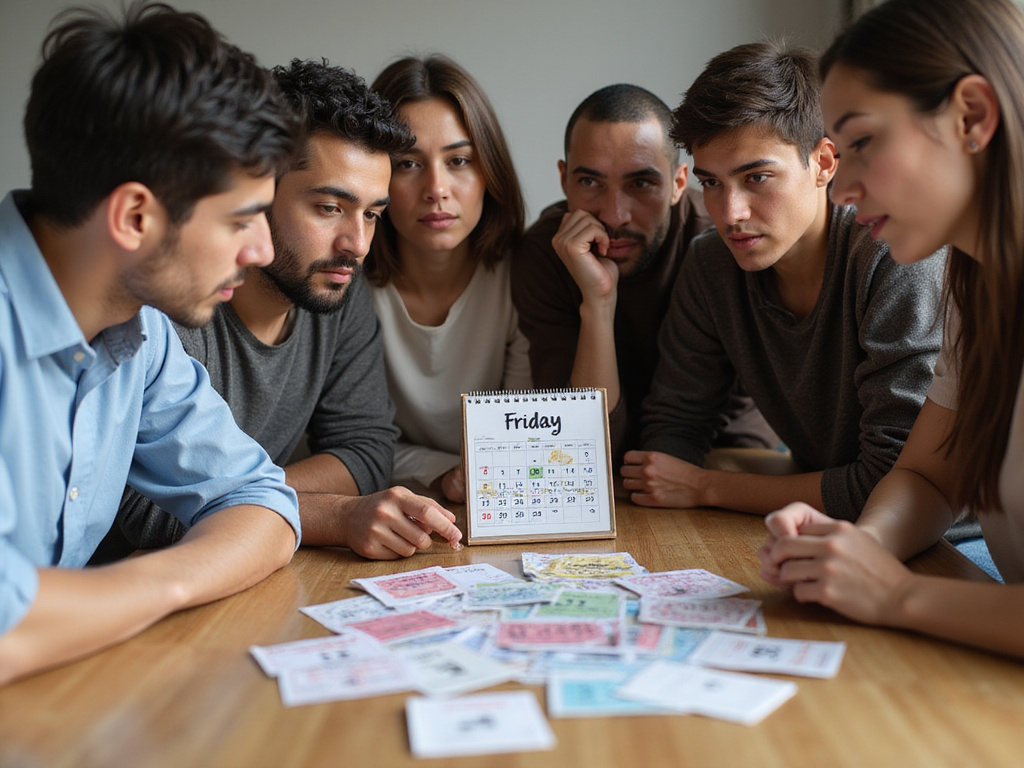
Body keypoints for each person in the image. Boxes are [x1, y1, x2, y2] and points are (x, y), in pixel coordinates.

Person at [0, 2, 302, 685]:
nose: (261, 250)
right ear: (135, 215)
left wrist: (154, 587)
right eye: (242, 219)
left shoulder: (142, 330)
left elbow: (262, 502)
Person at [103, 59, 462, 561]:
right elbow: (152, 514)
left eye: (373, 215)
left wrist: (240, 497)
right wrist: (329, 512)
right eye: (329, 208)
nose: (356, 243)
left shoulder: (334, 282)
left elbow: (367, 453)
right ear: (257, 191)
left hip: (238, 574)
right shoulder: (170, 306)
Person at [759, 0, 1024, 658]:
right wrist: (860, 548)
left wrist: (896, 595)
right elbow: (931, 476)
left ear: (972, 116)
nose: (841, 185)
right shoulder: (978, 286)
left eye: (863, 143)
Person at [622, 41, 946, 521]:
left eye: (756, 178)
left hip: (953, 543)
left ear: (823, 163)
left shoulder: (894, 255)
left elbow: (893, 481)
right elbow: (673, 431)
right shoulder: (712, 262)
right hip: (819, 524)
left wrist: (706, 486)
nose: (730, 214)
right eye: (711, 182)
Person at [510, 84, 778, 465]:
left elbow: (734, 437)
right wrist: (598, 302)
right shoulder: (544, 254)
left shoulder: (727, 243)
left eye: (641, 183)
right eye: (589, 182)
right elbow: (576, 446)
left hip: (723, 462)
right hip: (605, 472)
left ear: (679, 184)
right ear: (563, 179)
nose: (615, 215)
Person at [366, 55, 531, 503]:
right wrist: (439, 472)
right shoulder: (346, 285)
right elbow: (347, 442)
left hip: (499, 504)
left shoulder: (524, 277)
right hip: (386, 503)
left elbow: (519, 437)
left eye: (458, 160)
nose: (436, 188)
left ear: (488, 172)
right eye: (408, 163)